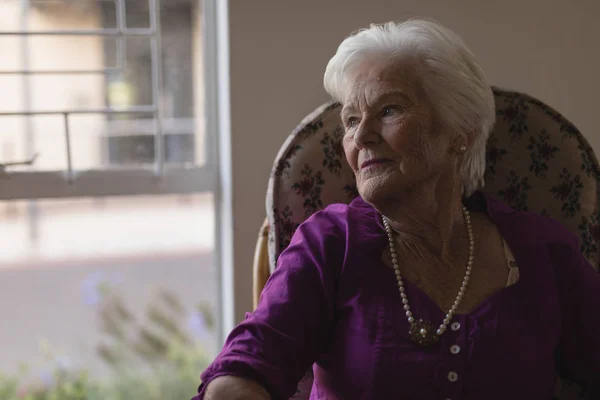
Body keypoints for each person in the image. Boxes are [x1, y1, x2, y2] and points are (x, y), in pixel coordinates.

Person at [193, 19, 600, 399]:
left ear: (460, 132)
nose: (362, 136)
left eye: (389, 110)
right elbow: (250, 363)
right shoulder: (330, 245)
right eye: (351, 120)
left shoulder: (542, 250)